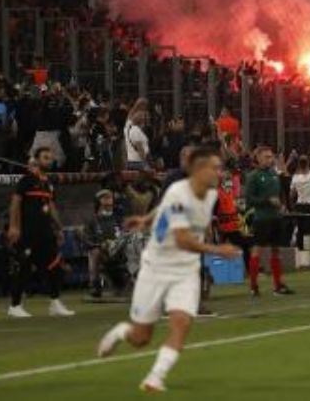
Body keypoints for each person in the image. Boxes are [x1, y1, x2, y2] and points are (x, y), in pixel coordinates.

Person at [96, 147, 240, 392]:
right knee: (141, 339)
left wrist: (145, 220)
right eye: (214, 168)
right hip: (156, 268)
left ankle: (155, 377)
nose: (220, 172)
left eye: (221, 168)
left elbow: (161, 209)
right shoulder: (179, 193)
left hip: (186, 272)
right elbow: (182, 238)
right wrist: (217, 250)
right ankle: (122, 332)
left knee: (182, 322)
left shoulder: (212, 194)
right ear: (198, 170)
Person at [6, 147, 75, 317]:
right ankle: (15, 306)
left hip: (45, 232)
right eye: (45, 157)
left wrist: (58, 228)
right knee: (24, 267)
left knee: (54, 266)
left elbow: (51, 207)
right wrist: (14, 227)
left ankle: (55, 303)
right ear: (36, 160)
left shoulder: (48, 183)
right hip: (28, 232)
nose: (49, 161)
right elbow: (15, 203)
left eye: (50, 158)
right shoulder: (26, 180)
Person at [244, 147, 295, 296]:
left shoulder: (273, 174)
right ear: (258, 158)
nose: (270, 159)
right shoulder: (253, 176)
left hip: (276, 218)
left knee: (276, 251)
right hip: (262, 219)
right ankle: (254, 286)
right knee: (256, 251)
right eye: (266, 157)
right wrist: (267, 200)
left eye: (271, 157)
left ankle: (278, 285)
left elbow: (279, 194)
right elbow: (249, 199)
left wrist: (282, 205)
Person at [84, 189, 126, 298]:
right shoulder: (92, 220)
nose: (108, 199)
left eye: (110, 197)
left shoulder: (119, 218)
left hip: (120, 249)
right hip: (102, 250)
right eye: (104, 197)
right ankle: (95, 284)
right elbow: (87, 239)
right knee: (95, 252)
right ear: (98, 201)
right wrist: (100, 244)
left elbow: (126, 234)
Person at [289, 155, 310, 252]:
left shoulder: (295, 178)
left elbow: (291, 194)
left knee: (301, 229)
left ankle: (300, 251)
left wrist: (292, 206)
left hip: (299, 206)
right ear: (308, 164)